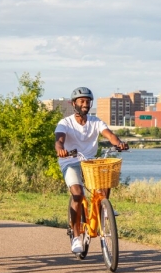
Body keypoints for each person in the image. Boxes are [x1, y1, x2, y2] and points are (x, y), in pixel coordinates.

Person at [54, 87, 128, 253]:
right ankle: (75, 236)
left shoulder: (96, 121)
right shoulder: (65, 123)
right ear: (74, 104)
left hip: (90, 162)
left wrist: (119, 143)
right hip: (70, 161)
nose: (85, 104)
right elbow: (59, 140)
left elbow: (109, 135)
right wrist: (60, 149)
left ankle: (103, 209)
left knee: (105, 178)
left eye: (88, 101)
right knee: (78, 194)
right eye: (82, 101)